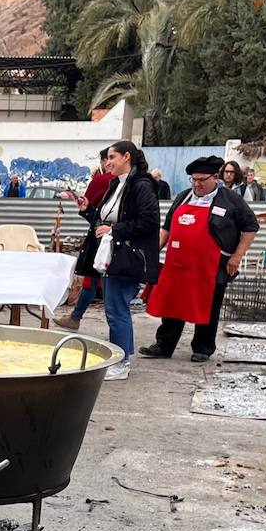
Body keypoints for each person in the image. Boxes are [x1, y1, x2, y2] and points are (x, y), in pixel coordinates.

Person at [139, 155, 259, 363]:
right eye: (193, 179)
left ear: (215, 177)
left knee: (209, 307)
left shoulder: (230, 199)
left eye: (202, 179)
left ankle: (203, 347)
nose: (197, 184)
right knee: (172, 305)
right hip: (178, 264)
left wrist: (236, 257)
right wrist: (151, 253)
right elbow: (166, 228)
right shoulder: (183, 197)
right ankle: (164, 345)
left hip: (211, 267)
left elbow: (250, 227)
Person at [80, 140, 160, 381]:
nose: (107, 163)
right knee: (116, 309)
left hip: (128, 258)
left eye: (112, 157)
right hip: (113, 257)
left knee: (116, 310)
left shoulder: (141, 185)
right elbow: (106, 220)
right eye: (106, 159)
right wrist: (87, 210)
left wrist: (115, 230)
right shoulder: (117, 183)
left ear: (127, 157)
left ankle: (121, 362)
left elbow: (149, 221)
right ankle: (124, 357)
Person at [53, 150, 113, 330]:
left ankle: (79, 317)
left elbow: (93, 211)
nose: (109, 163)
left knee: (97, 281)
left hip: (103, 236)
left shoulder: (103, 181)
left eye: (111, 158)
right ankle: (77, 316)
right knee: (100, 282)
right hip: (108, 234)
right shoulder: (121, 182)